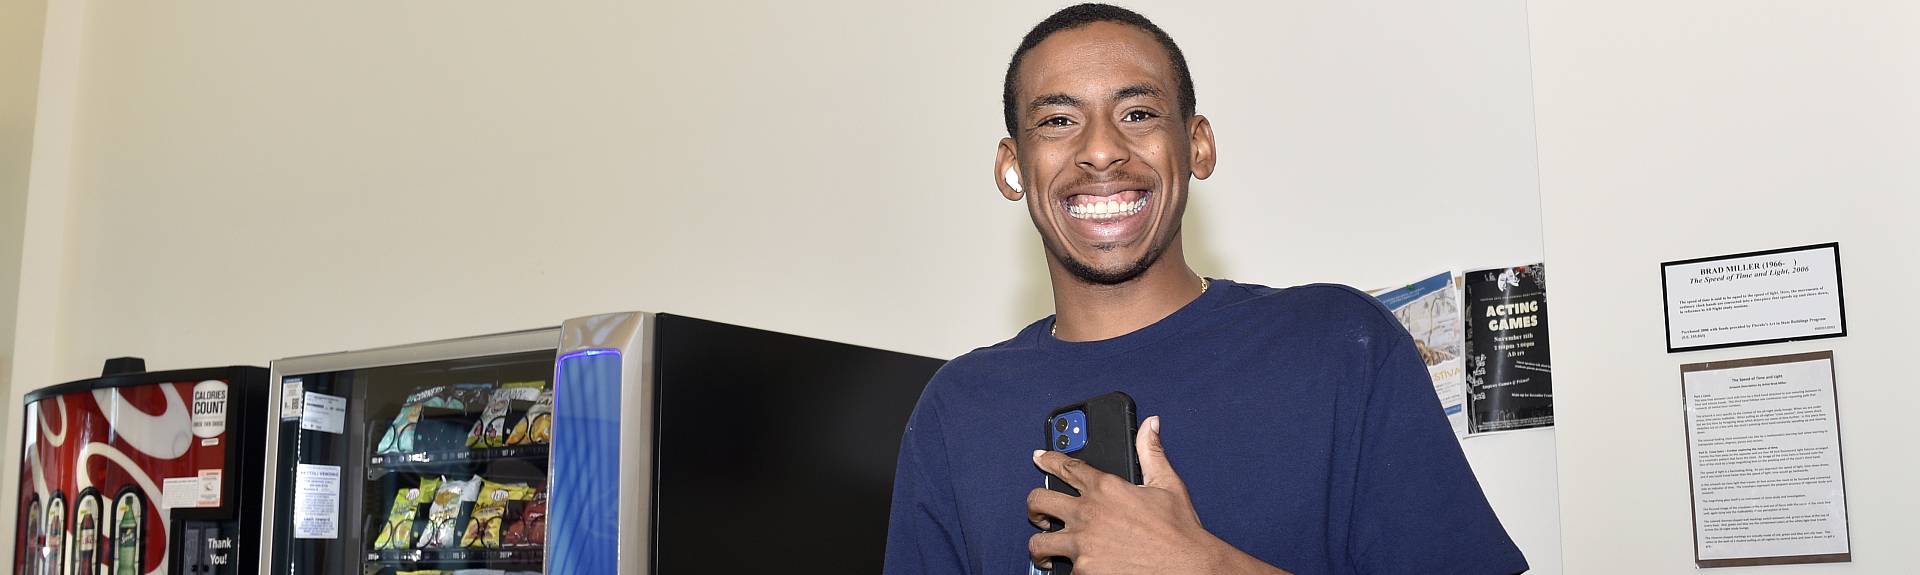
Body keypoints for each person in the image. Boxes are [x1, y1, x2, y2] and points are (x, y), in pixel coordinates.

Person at [882, 4, 1528, 575]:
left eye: (1137, 113)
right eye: (1057, 120)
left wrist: (1201, 564)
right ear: (1012, 167)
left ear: (1197, 146)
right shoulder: (957, 407)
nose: (1101, 149)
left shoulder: (1337, 343)